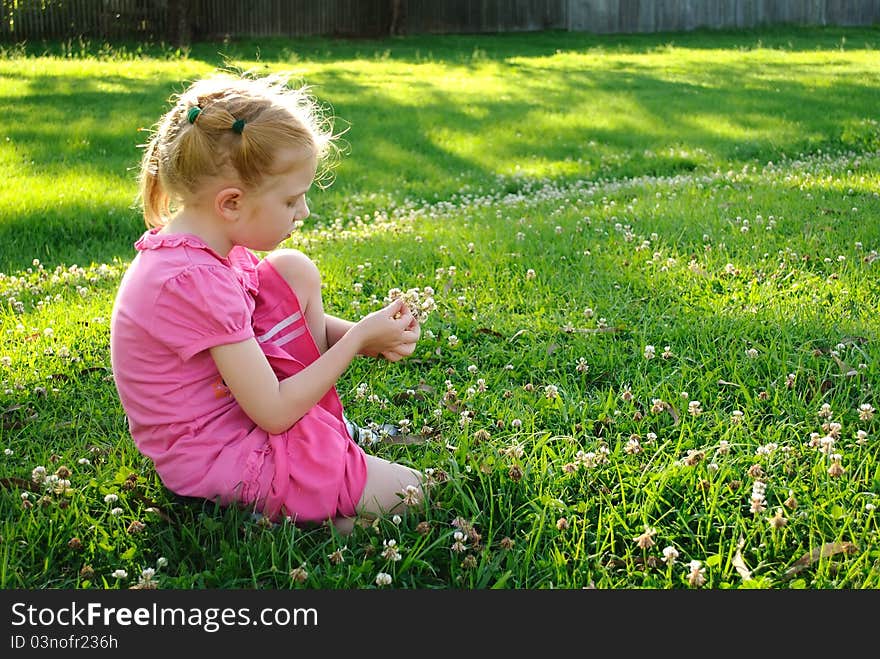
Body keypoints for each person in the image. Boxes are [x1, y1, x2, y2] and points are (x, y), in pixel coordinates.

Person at [109, 72, 424, 535]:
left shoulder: (208, 247)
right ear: (231, 203)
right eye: (292, 199)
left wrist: (364, 335)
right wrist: (356, 341)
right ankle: (288, 520)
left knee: (291, 270)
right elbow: (273, 411)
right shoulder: (193, 282)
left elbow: (255, 327)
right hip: (215, 455)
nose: (304, 212)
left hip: (238, 412)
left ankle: (318, 468)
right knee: (413, 496)